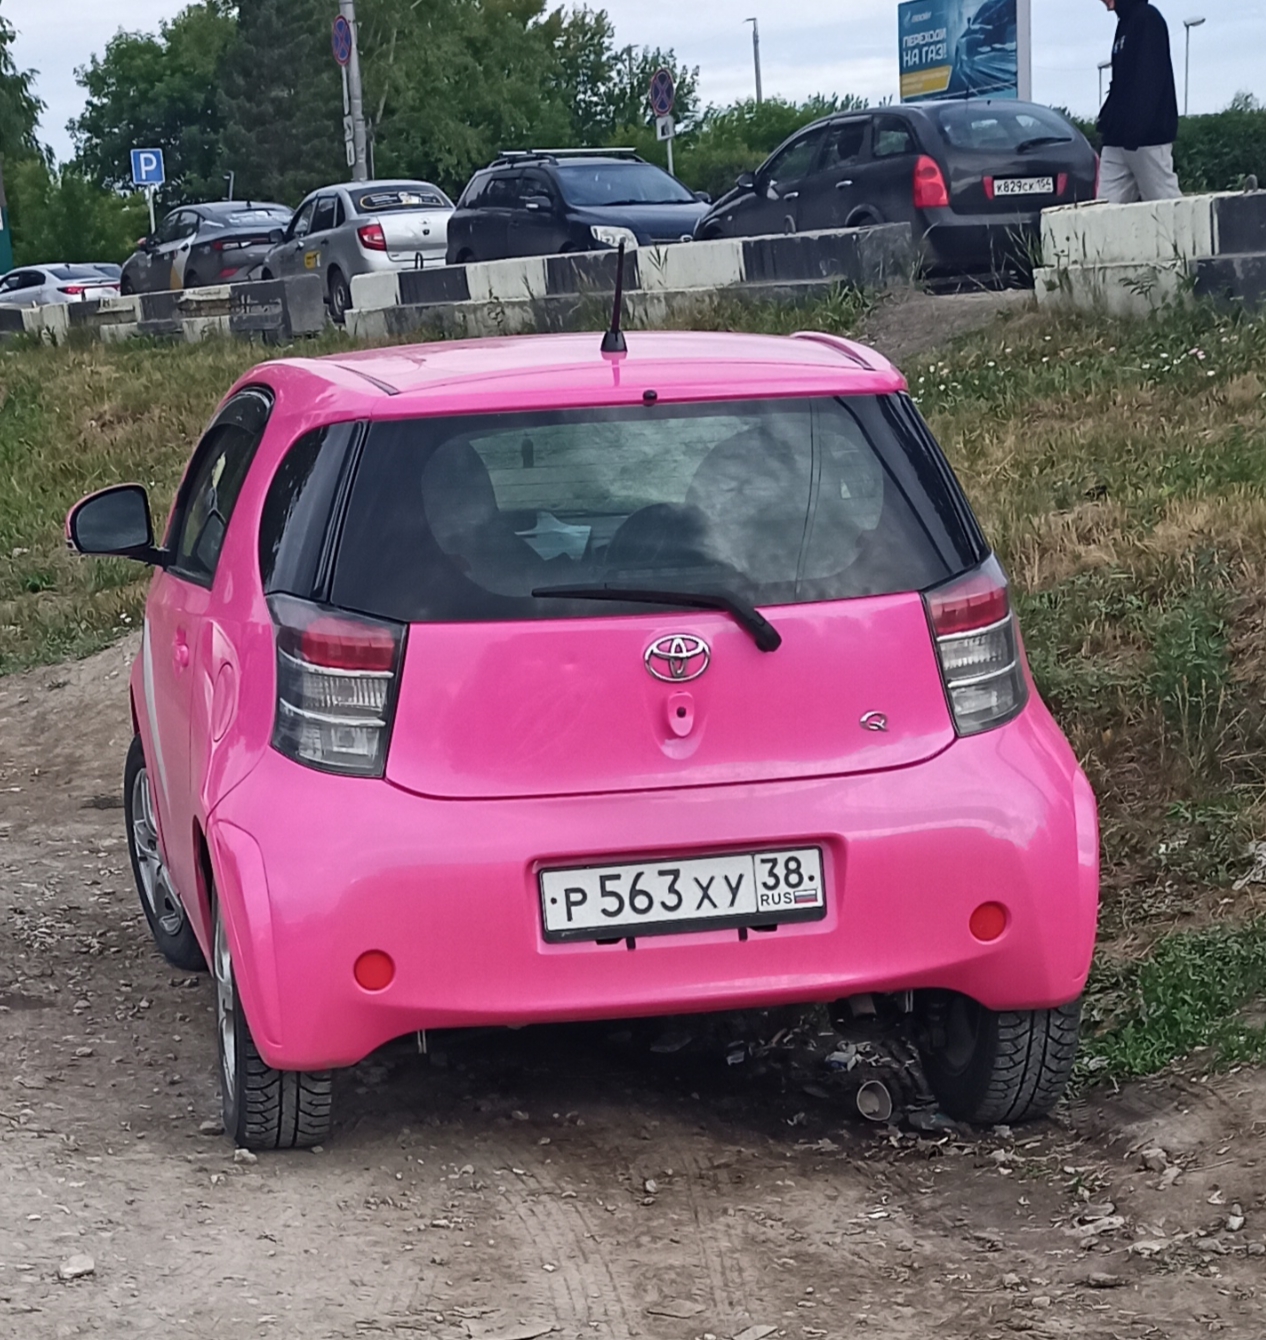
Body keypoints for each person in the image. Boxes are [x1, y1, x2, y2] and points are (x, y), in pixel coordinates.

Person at [1096, 0, 1182, 203]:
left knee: (1165, 206)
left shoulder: (1148, 20)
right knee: (1104, 210)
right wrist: (1108, 123)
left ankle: (1192, 226)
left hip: (1148, 138)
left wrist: (1136, 129)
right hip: (1117, 139)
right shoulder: (1124, 24)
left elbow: (1150, 79)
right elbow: (1120, 83)